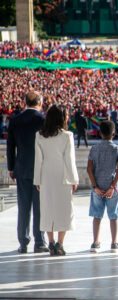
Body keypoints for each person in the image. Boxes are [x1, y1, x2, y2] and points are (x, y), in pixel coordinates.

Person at [34, 105, 79, 256]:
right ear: (61, 118)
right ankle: (60, 243)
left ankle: (51, 242)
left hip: (46, 175)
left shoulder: (39, 135)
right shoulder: (67, 136)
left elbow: (38, 160)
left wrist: (37, 180)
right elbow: (69, 159)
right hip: (62, 175)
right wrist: (74, 179)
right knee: (64, 209)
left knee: (47, 209)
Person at [7, 91, 48, 254]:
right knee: (39, 207)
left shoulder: (15, 120)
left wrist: (11, 167)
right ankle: (40, 241)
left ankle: (23, 242)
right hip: (40, 168)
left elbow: (11, 146)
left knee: (23, 207)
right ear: (39, 101)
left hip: (21, 167)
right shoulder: (43, 120)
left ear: (25, 102)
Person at [87, 121, 118, 253]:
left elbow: (89, 169)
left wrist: (94, 186)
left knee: (97, 216)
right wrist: (112, 186)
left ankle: (95, 242)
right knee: (113, 215)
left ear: (100, 133)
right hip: (112, 187)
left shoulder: (94, 149)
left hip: (98, 186)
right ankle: (114, 243)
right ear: (113, 133)